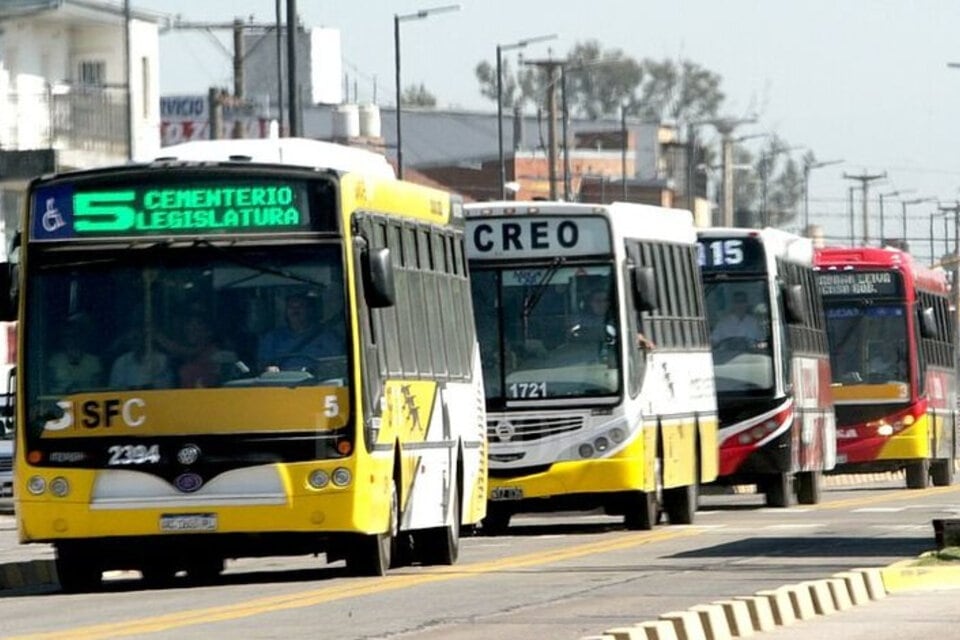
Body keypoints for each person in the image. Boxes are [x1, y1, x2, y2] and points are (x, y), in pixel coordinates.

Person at [258, 293, 341, 372]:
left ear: (310, 310)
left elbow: (337, 365)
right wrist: (269, 369)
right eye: (291, 307)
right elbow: (263, 364)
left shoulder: (328, 337)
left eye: (301, 306)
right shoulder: (273, 337)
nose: (295, 311)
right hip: (282, 380)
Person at [48, 317, 102, 393]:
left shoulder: (93, 362)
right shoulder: (55, 361)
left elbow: (97, 389)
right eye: (67, 336)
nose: (71, 340)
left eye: (74, 336)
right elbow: (49, 387)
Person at [108, 327, 174, 390]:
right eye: (133, 339)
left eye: (138, 338)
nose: (136, 342)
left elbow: (167, 386)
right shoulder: (121, 362)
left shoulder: (162, 360)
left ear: (145, 339)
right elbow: (115, 388)